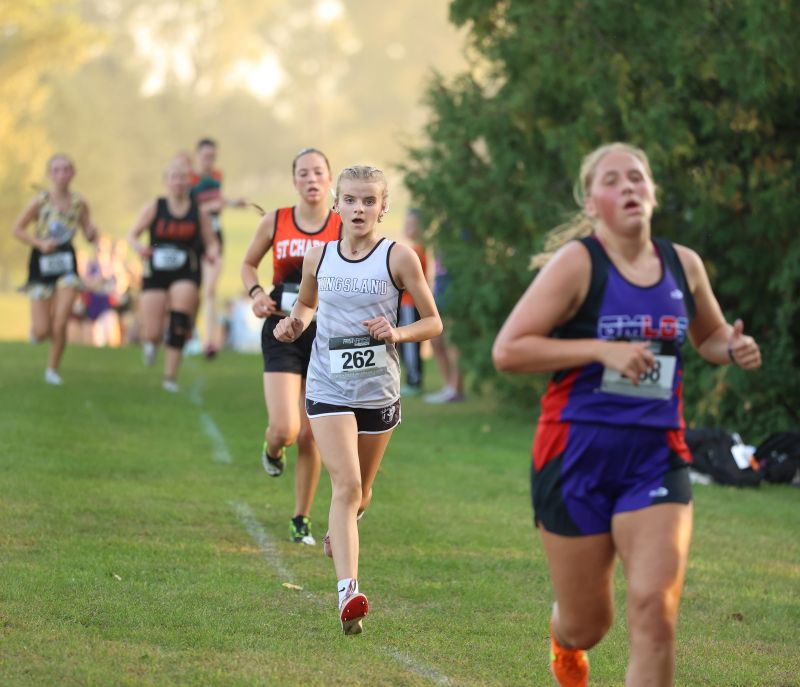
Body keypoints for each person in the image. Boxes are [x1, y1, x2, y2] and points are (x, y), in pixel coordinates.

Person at [492, 142, 762, 686]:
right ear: (592, 204)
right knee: (588, 625)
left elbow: (707, 336)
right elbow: (509, 350)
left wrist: (730, 348)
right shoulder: (577, 264)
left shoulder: (683, 264)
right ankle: (564, 640)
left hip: (656, 456)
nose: (629, 187)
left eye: (637, 178)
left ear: (653, 192)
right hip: (575, 455)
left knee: (655, 611)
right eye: (613, 181)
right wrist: (599, 349)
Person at [274, 165, 442, 635]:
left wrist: (398, 332)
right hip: (328, 386)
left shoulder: (399, 257)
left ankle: (339, 529)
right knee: (345, 486)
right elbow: (306, 305)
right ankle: (348, 593)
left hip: (378, 391)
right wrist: (293, 325)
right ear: (337, 205)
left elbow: (434, 322)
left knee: (361, 494)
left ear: (383, 208)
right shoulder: (318, 256)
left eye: (370, 201)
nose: (360, 209)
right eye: (351, 200)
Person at [241, 148, 341, 546]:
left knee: (310, 435)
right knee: (285, 429)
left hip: (326, 334)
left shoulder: (341, 225)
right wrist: (255, 292)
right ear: (295, 181)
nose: (312, 179)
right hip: (281, 328)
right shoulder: (277, 220)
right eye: (304, 173)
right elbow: (249, 263)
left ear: (330, 179)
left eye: (319, 172)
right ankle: (271, 448)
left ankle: (301, 518)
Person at [127, 160, 219, 392]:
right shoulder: (155, 207)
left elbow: (212, 243)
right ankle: (150, 344)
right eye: (174, 177)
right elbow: (133, 235)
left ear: (189, 182)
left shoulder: (197, 212)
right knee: (153, 331)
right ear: (166, 182)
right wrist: (140, 248)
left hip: (185, 271)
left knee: (179, 322)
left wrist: (211, 254)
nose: (178, 182)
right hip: (155, 272)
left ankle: (169, 377)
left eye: (182, 177)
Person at [12, 153, 98, 384]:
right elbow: (17, 229)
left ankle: (52, 369)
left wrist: (92, 234)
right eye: (56, 170)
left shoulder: (80, 203)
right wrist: (40, 243)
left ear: (73, 173)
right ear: (50, 174)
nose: (61, 174)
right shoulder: (39, 201)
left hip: (66, 264)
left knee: (61, 320)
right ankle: (39, 331)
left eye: (66, 169)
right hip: (41, 262)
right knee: (42, 330)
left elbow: (88, 230)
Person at [191, 138, 247, 358]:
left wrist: (233, 203)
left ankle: (209, 341)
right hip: (194, 237)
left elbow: (219, 201)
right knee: (192, 290)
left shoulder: (217, 177)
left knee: (210, 290)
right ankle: (190, 335)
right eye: (205, 156)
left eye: (212, 156)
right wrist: (207, 207)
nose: (209, 160)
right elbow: (187, 207)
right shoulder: (190, 179)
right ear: (197, 155)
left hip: (214, 236)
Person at [423, 252, 464, 403]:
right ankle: (448, 387)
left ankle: (456, 389)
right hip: (440, 289)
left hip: (456, 289)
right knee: (435, 340)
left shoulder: (462, 233)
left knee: (454, 342)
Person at [398, 209, 427, 395]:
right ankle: (411, 377)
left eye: (412, 225)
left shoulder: (416, 251)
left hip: (410, 303)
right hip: (404, 304)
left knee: (409, 343)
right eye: (406, 224)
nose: (408, 228)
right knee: (405, 344)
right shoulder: (414, 248)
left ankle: (414, 380)